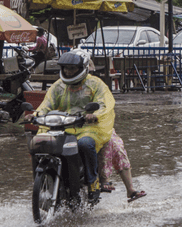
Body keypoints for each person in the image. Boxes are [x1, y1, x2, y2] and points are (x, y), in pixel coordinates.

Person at [24, 49, 115, 203]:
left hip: (87, 127)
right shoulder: (58, 86)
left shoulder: (95, 84)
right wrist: (35, 115)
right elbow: (46, 104)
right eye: (65, 67)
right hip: (63, 126)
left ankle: (93, 182)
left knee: (85, 144)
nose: (68, 71)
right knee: (37, 143)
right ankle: (44, 183)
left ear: (82, 68)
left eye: (72, 68)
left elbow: (103, 103)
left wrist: (94, 115)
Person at [98, 129, 147, 202]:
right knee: (106, 143)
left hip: (104, 127)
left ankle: (130, 189)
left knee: (117, 148)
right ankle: (104, 178)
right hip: (82, 129)